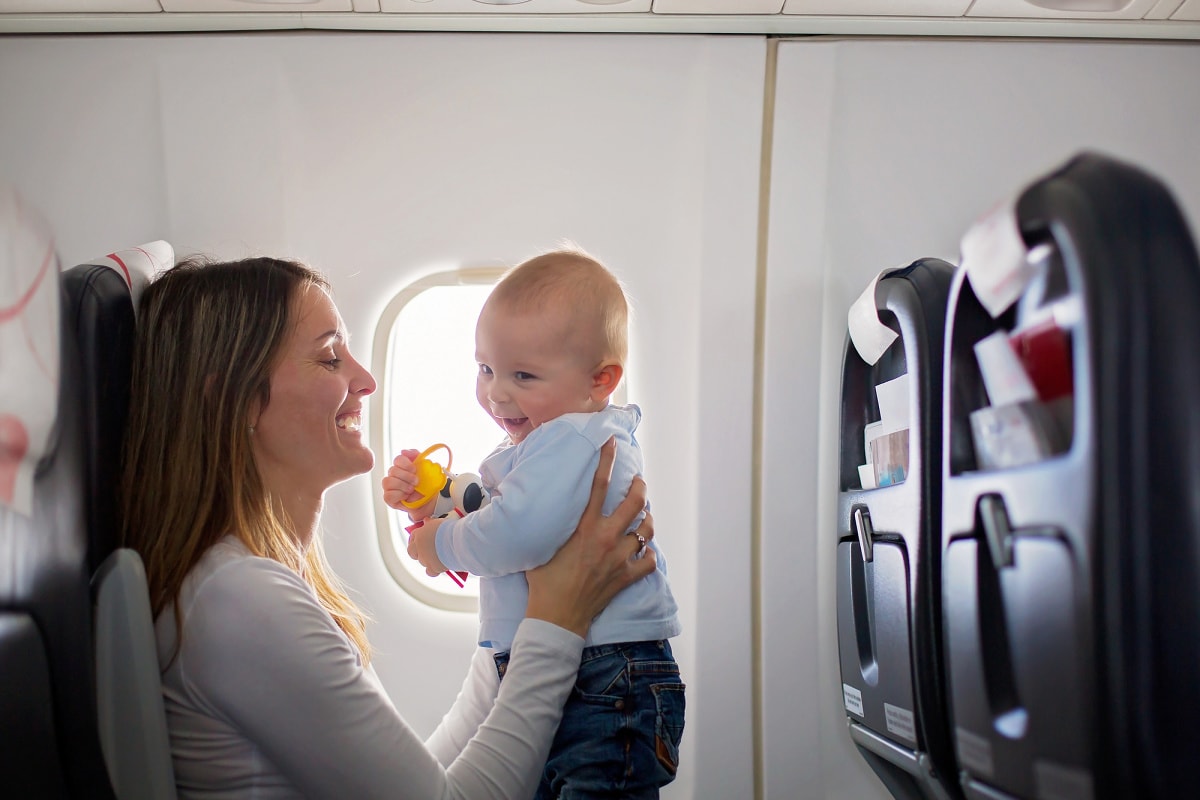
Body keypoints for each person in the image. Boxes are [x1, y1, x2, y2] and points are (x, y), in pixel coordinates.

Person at [119, 255, 657, 800]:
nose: (366, 379)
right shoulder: (239, 599)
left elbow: (426, 783)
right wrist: (557, 620)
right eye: (330, 358)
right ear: (235, 399)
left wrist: (521, 628)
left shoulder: (260, 583)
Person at [383, 248, 684, 799]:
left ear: (600, 380)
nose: (497, 392)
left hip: (606, 674)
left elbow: (518, 532)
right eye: (486, 369)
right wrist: (439, 502)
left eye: (523, 375)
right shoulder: (549, 440)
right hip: (593, 670)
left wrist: (441, 543)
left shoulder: (569, 437)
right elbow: (506, 508)